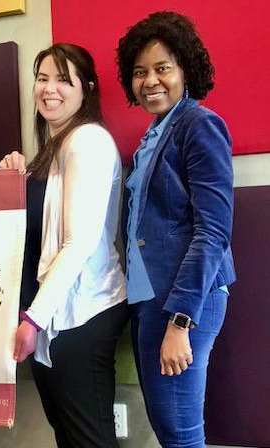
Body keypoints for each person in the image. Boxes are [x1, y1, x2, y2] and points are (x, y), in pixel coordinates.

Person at [116, 11, 236, 448]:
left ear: (185, 69)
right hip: (152, 300)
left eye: (163, 68)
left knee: (181, 433)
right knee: (168, 427)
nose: (151, 81)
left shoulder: (198, 125)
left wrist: (181, 322)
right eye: (140, 72)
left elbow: (213, 231)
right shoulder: (152, 136)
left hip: (185, 304)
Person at [0, 43, 128, 448]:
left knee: (88, 439)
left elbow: (80, 241)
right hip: (56, 314)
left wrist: (33, 319)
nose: (49, 89)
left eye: (62, 79)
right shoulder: (55, 148)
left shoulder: (87, 141)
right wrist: (13, 178)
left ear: (86, 89)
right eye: (42, 79)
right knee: (71, 437)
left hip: (81, 313)